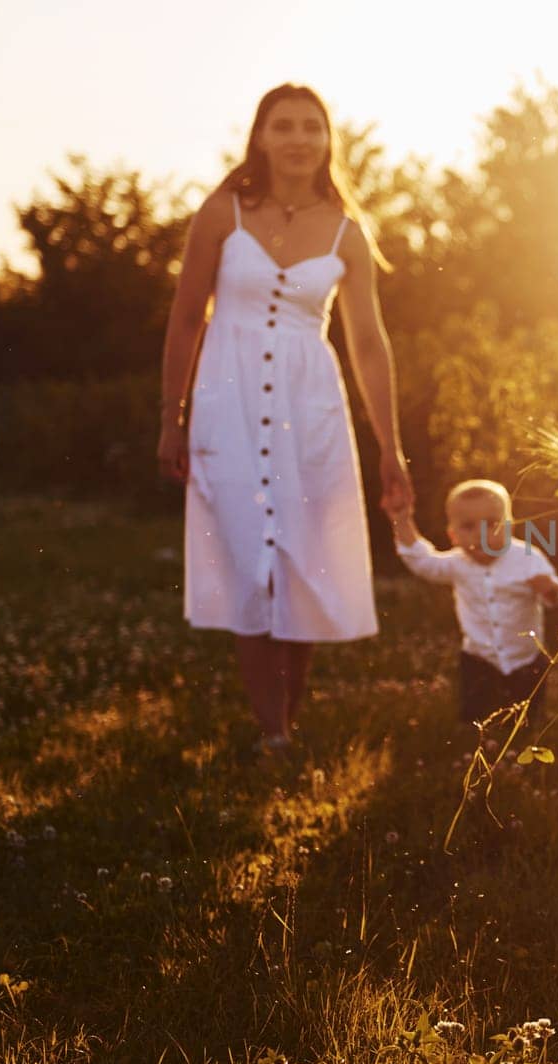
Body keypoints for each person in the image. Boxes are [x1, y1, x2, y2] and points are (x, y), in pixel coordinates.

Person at [157, 84, 413, 754]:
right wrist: (171, 415)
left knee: (304, 566)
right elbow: (187, 317)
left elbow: (367, 343)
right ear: (261, 137)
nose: (298, 138)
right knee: (250, 563)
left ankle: (284, 725)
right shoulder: (223, 214)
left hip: (312, 408)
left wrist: (391, 446)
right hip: (227, 401)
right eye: (284, 126)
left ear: (328, 141)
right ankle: (272, 728)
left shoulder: (347, 232)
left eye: (312, 126)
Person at [392, 480, 558, 726]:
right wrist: (401, 519)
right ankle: (474, 746)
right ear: (453, 535)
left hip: (526, 659)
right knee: (475, 718)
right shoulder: (458, 563)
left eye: (492, 524)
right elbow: (423, 561)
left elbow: (557, 594)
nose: (482, 535)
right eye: (468, 526)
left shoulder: (527, 557)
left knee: (528, 720)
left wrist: (549, 589)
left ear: (510, 527)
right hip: (478, 659)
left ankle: (526, 745)